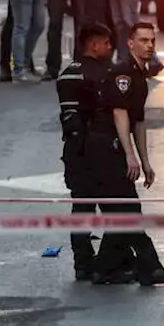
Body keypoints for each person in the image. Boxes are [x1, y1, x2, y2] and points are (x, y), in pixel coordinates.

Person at [91, 22, 164, 285]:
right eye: (143, 40)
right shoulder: (124, 74)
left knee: (125, 211)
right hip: (106, 149)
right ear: (130, 43)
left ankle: (102, 269)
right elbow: (119, 114)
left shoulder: (140, 76)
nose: (149, 45)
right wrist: (129, 156)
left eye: (152, 41)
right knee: (129, 209)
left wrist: (146, 162)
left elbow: (139, 122)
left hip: (114, 148)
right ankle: (149, 268)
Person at [55, 23, 116, 280]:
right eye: (106, 43)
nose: (110, 48)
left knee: (81, 206)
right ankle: (108, 262)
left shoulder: (66, 74)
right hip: (99, 150)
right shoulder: (105, 74)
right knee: (115, 209)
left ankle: (82, 262)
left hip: (73, 150)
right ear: (94, 44)